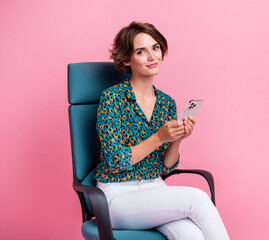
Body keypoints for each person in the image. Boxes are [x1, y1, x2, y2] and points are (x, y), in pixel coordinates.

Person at [94, 21, 230, 240]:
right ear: (127, 59)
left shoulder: (167, 103)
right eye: (141, 51)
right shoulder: (112, 98)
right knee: (198, 199)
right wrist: (159, 137)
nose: (152, 57)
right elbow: (115, 161)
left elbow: (166, 165)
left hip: (154, 188)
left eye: (155, 48)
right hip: (116, 194)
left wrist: (177, 139)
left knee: (192, 235)